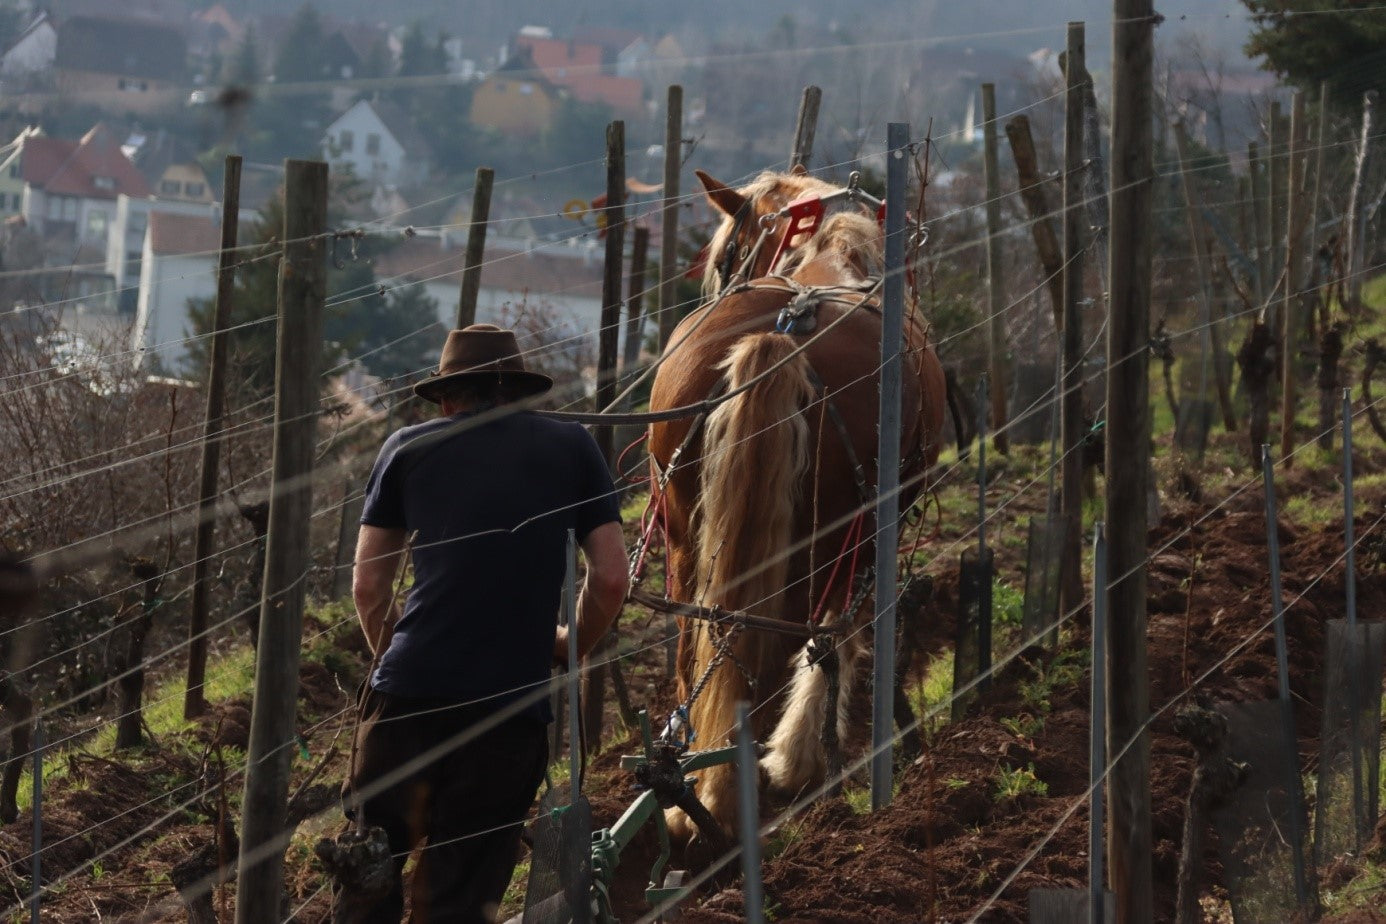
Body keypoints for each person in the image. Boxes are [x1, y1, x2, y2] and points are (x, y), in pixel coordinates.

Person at [343, 324, 628, 923]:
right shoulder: (572, 447)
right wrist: (571, 644)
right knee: (459, 895)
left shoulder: (404, 447)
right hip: (506, 712)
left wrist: (391, 658)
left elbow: (368, 587)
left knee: (368, 872)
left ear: (448, 399)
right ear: (519, 393)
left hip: (406, 701)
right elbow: (609, 581)